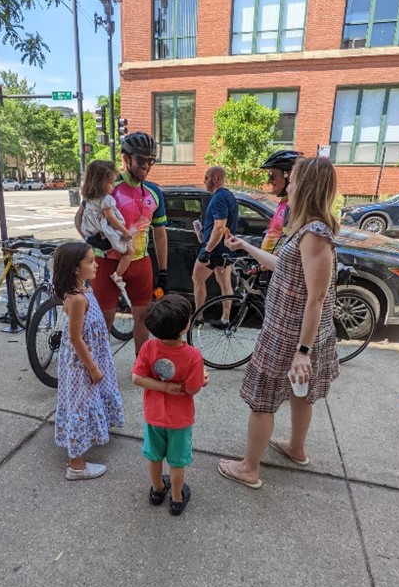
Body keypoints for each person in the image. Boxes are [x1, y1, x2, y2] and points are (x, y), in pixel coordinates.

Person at [217, 156, 340, 489]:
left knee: (262, 401)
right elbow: (283, 267)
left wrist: (303, 351)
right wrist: (246, 246)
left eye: (294, 179)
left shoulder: (314, 234)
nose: (290, 184)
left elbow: (316, 298)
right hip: (295, 333)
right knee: (301, 393)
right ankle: (296, 449)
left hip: (289, 336)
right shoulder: (307, 228)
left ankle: (249, 469)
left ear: (307, 186)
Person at [75, 133, 168, 354]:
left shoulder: (155, 192)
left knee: (143, 319)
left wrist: (164, 271)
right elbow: (80, 218)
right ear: (126, 158)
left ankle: (141, 365)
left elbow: (160, 234)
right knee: (103, 320)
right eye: (141, 160)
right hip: (106, 262)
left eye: (151, 160)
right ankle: (98, 366)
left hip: (140, 263)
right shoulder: (107, 185)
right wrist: (88, 239)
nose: (146, 165)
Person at [53, 241, 124, 480]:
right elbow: (75, 338)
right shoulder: (77, 299)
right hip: (81, 364)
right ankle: (76, 465)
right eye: (91, 261)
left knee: (88, 400)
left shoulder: (84, 290)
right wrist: (92, 368)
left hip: (91, 357)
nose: (96, 265)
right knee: (80, 406)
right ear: (76, 268)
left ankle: (89, 437)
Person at [132, 294, 206, 515]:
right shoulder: (193, 356)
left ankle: (157, 490)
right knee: (177, 461)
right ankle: (176, 498)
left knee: (154, 456)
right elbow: (192, 389)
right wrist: (201, 380)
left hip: (154, 415)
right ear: (185, 327)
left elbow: (137, 378)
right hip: (180, 419)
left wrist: (163, 387)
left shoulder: (148, 347)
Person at [192, 166, 238, 329]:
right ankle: (225, 319)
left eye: (206, 178)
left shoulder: (219, 198)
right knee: (224, 283)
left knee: (197, 279)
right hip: (226, 249)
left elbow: (219, 227)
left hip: (214, 250)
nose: (204, 181)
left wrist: (207, 250)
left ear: (215, 178)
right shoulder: (230, 196)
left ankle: (198, 317)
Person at [80, 160, 134, 293]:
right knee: (129, 251)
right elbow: (111, 217)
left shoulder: (89, 199)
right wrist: (125, 231)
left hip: (94, 233)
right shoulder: (106, 199)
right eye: (111, 183)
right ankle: (117, 275)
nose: (113, 186)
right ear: (100, 183)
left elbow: (80, 219)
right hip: (108, 231)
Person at [260, 149, 304, 257]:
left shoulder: (293, 207)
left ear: (288, 176)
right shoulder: (284, 202)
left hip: (276, 264)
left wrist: (263, 265)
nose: (269, 181)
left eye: (273, 176)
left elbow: (288, 244)